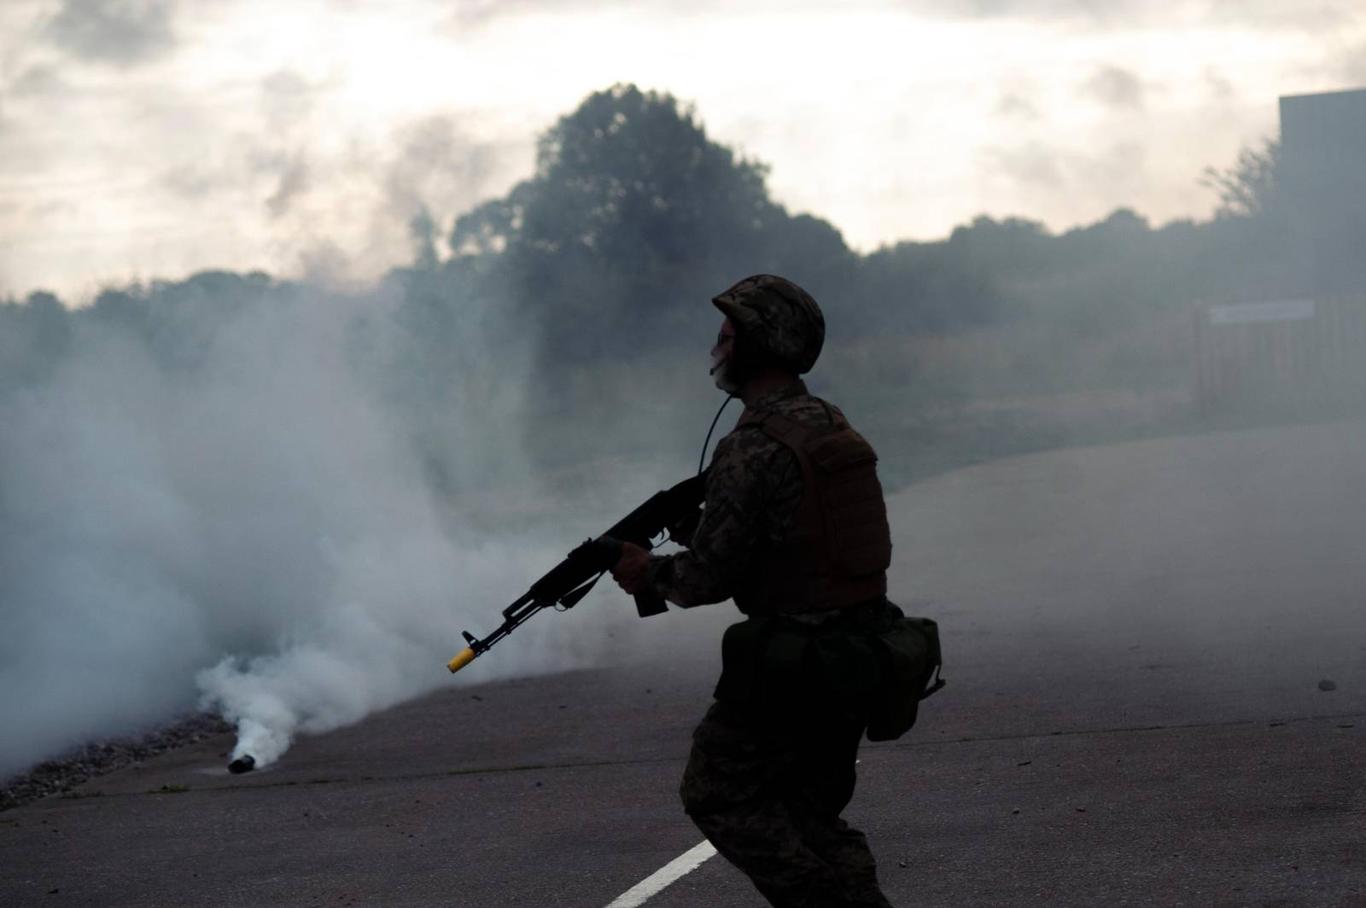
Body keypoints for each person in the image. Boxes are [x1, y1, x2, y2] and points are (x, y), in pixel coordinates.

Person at [612, 274, 898, 908]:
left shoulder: (752, 445)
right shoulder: (826, 421)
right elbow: (794, 533)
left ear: (759, 345)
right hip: (859, 650)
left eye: (728, 335)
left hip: (796, 662)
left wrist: (647, 570)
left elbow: (705, 578)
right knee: (813, 816)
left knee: (716, 793)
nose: (717, 347)